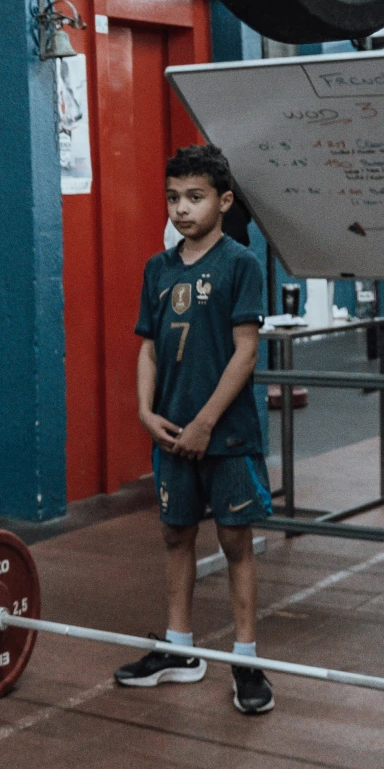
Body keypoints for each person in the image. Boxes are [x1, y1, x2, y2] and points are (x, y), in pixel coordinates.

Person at [119, 141, 273, 715]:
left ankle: (248, 660)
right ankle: (180, 650)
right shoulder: (156, 269)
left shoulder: (241, 264)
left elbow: (245, 352)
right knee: (175, 536)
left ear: (223, 200)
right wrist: (143, 411)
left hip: (225, 435)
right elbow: (150, 350)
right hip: (171, 433)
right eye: (173, 198)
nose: (182, 209)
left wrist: (206, 422)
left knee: (236, 543)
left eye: (195, 197)